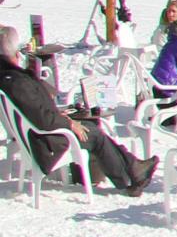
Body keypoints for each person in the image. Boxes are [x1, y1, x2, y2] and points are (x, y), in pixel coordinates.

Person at [0, 25, 156, 193]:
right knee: (94, 133)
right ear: (16, 53)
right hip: (45, 142)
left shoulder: (9, 77)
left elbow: (34, 112)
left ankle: (132, 168)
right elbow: (43, 120)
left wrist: (61, 115)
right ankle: (129, 178)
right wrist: (68, 123)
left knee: (89, 127)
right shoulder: (16, 82)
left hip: (39, 134)